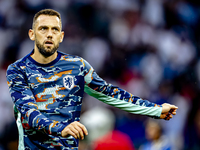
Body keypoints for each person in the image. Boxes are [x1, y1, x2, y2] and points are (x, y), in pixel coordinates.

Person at [6, 9, 178, 150]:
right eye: (43, 29)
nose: (49, 34)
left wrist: (153, 110)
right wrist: (60, 128)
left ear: (62, 36)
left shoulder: (77, 67)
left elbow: (110, 93)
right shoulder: (18, 70)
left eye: (55, 30)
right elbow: (29, 112)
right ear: (31, 34)